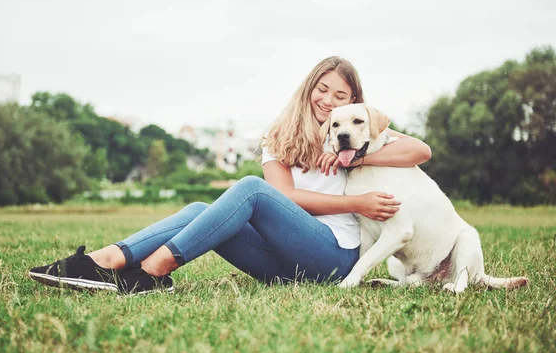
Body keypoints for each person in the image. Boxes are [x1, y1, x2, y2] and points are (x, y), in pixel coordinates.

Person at [29, 56, 432, 295]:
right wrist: (356, 201)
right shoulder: (279, 136)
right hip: (280, 263)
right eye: (322, 90)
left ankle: (153, 272)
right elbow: (285, 197)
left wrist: (356, 160)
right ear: (309, 88)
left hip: (333, 258)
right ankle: (104, 260)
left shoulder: (355, 131)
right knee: (204, 207)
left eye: (340, 96)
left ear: (354, 103)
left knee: (250, 190)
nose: (328, 101)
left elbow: (421, 150)